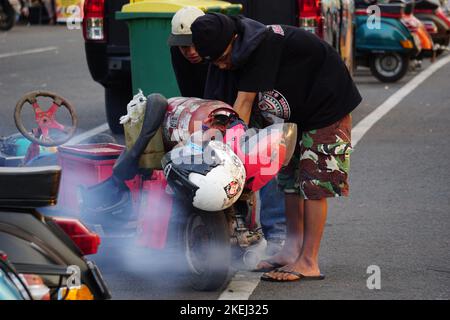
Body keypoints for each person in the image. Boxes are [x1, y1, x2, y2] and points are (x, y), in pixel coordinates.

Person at [191, 13, 362, 281]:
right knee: (289, 182)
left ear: (234, 41)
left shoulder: (262, 44)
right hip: (292, 114)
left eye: (224, 58)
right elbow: (220, 106)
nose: (223, 66)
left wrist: (229, 157)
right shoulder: (225, 53)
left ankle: (308, 261)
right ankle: (291, 250)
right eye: (216, 62)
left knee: (314, 185)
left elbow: (243, 105)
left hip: (326, 107)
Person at [167, 7, 287, 257]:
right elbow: (193, 95)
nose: (189, 51)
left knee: (262, 162)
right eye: (182, 46)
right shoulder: (181, 55)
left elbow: (245, 97)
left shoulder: (232, 48)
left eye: (193, 46)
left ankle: (276, 233)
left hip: (248, 103)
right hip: (211, 107)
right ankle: (231, 227)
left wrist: (232, 134)